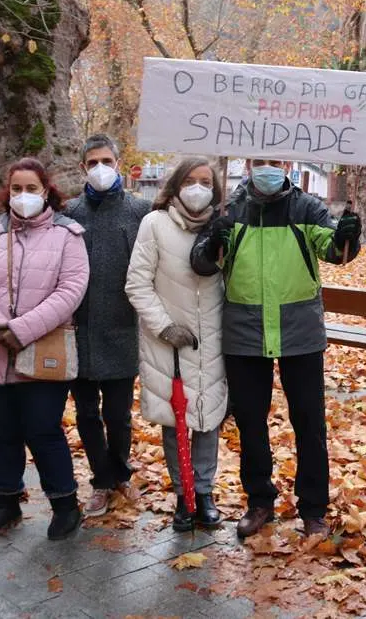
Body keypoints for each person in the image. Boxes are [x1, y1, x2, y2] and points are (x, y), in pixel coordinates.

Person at [191, 159, 362, 538]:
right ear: (249, 164)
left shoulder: (307, 207)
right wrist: (214, 241)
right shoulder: (230, 210)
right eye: (260, 161)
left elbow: (337, 251)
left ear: (286, 163)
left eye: (274, 161)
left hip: (299, 333)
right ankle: (259, 500)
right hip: (245, 334)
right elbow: (202, 264)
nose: (267, 167)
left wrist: (348, 234)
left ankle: (313, 507)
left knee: (309, 423)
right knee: (251, 423)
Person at [0, 157, 90, 541]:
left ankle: (65, 504)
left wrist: (22, 329)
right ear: (6, 192)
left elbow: (71, 290)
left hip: (42, 351)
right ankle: (5, 502)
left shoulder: (68, 235)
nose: (23, 195)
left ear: (46, 190)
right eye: (16, 188)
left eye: (31, 188)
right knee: (2, 432)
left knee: (43, 430)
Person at [126, 158, 227, 532]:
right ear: (176, 185)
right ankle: (183, 494)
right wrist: (164, 326)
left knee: (208, 419)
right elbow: (137, 283)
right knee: (175, 420)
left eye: (205, 182)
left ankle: (204, 493)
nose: (198, 188)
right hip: (169, 342)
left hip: (212, 341)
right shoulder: (154, 225)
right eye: (190, 180)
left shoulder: (223, 227)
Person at [63, 134, 152, 518]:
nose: (101, 168)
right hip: (78, 331)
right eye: (93, 161)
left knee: (118, 415)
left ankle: (119, 472)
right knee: (85, 413)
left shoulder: (140, 210)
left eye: (107, 160)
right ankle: (101, 481)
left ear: (118, 162)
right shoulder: (69, 213)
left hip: (122, 329)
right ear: (83, 167)